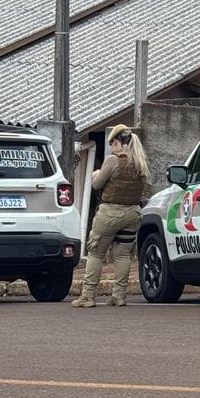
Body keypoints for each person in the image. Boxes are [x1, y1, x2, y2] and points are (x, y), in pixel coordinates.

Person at [73, 124, 149, 308]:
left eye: (112, 143)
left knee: (96, 253)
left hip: (110, 213)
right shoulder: (140, 162)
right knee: (122, 256)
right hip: (133, 213)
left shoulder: (113, 160)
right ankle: (119, 296)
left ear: (117, 142)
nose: (111, 147)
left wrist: (96, 174)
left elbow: (97, 185)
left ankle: (88, 296)